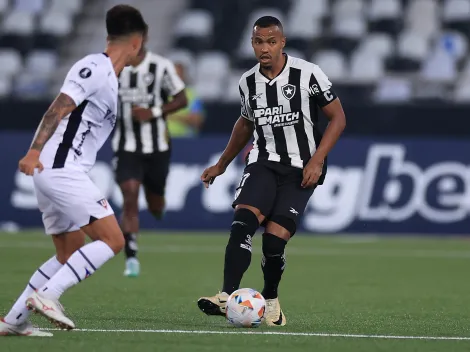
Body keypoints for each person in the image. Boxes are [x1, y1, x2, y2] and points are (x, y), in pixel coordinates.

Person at [0, 5, 147, 336]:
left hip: (55, 170)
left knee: (69, 252)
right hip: (59, 167)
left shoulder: (110, 77)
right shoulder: (94, 67)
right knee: (113, 240)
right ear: (137, 42)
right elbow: (58, 107)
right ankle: (49, 295)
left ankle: (12, 321)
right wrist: (34, 150)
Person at [197, 16, 346, 327]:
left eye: (271, 41)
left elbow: (338, 118)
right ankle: (226, 295)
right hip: (263, 162)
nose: (264, 48)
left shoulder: (307, 74)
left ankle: (271, 297)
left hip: (301, 168)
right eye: (258, 42)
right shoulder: (247, 82)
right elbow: (245, 123)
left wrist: (317, 160)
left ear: (282, 42)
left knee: (274, 242)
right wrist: (222, 164)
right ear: (252, 44)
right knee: (242, 224)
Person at [112, 34, 187, 278]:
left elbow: (181, 99)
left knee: (155, 205)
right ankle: (131, 258)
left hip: (157, 149)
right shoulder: (114, 67)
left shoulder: (161, 66)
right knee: (130, 195)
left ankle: (158, 204)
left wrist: (153, 111)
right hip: (126, 147)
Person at [167, 62, 204, 137]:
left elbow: (197, 121)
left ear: (183, 76)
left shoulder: (192, 95)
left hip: (185, 140)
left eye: (178, 75)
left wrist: (172, 116)